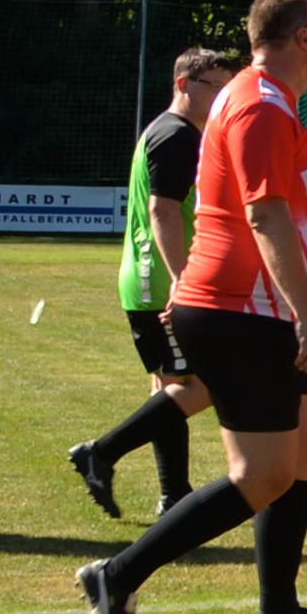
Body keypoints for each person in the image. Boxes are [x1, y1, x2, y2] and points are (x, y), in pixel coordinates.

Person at [76, 0, 307, 614]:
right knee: (261, 475)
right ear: (303, 38)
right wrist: (305, 315)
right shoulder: (259, 106)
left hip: (249, 311)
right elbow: (264, 216)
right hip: (244, 313)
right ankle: (115, 576)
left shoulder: (267, 99)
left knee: (303, 452)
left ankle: (279, 608)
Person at [69, 47, 234, 518]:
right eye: (214, 88)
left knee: (170, 389)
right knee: (201, 386)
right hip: (160, 283)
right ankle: (100, 452)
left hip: (152, 281)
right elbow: (163, 211)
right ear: (183, 84)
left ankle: (174, 493)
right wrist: (184, 282)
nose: (223, 97)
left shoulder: (175, 132)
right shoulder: (177, 135)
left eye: (228, 88)